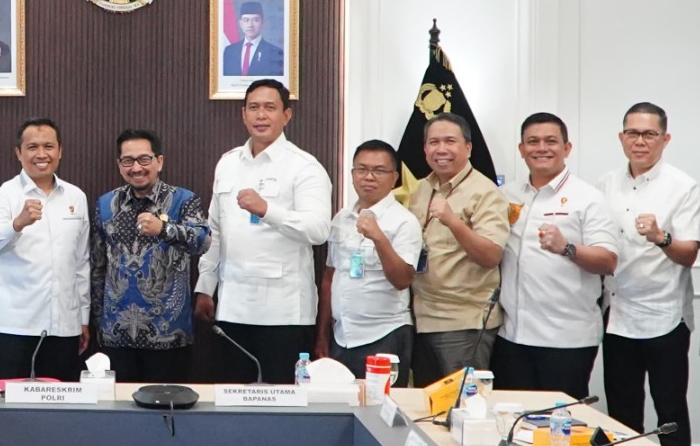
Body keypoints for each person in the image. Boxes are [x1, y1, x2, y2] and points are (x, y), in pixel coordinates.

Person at [194, 80, 332, 383]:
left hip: (284, 312)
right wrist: (206, 285)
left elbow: (319, 230)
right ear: (243, 114)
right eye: (254, 107)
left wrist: (267, 210)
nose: (261, 115)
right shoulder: (228, 163)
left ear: (286, 115)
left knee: (281, 399)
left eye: (270, 107)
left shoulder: (305, 167)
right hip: (232, 307)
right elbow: (214, 230)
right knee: (233, 397)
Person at [597, 102, 700, 446]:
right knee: (621, 414)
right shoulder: (606, 184)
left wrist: (661, 237)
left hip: (665, 317)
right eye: (632, 133)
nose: (640, 141)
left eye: (649, 134)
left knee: (670, 413)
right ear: (621, 137)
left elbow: (689, 254)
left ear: (665, 138)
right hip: (617, 315)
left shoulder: (682, 186)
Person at [493, 113, 617, 400]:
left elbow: (608, 260)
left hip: (566, 340)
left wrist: (567, 248)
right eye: (532, 141)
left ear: (567, 148)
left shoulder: (588, 198)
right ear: (521, 149)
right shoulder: (505, 195)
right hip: (511, 337)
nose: (541, 148)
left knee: (561, 421)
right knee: (511, 418)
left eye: (551, 141)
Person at [89, 129, 209, 385]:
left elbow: (203, 241)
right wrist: (98, 322)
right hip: (116, 337)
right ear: (119, 164)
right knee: (117, 406)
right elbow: (98, 267)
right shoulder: (105, 204)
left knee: (167, 408)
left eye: (144, 159)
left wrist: (164, 229)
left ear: (159, 161)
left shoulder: (183, 200)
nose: (136, 168)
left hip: (169, 335)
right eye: (128, 161)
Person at [0, 119, 90, 380]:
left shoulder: (75, 197)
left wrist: (83, 318)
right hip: (13, 327)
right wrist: (17, 224)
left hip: (64, 326)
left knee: (61, 401)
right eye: (32, 147)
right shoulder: (3, 195)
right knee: (10, 401)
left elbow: (81, 263)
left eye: (48, 146)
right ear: (18, 153)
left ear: (60, 151)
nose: (41, 154)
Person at [406, 112, 510, 382]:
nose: (441, 149)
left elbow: (491, 255)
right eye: (433, 142)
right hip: (420, 318)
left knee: (462, 403)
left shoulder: (485, 192)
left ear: (468, 147)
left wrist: (453, 222)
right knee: (427, 402)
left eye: (450, 141)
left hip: (463, 324)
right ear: (425, 149)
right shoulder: (421, 188)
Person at [318, 140, 421, 378]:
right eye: (362, 169)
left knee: (382, 401)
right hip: (341, 336)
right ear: (352, 174)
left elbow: (403, 280)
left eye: (379, 171)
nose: (369, 177)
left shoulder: (404, 221)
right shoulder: (342, 218)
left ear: (394, 178)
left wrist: (379, 238)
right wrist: (322, 335)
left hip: (385, 334)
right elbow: (330, 277)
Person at [220, 1, 284, 78]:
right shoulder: (229, 51)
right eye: (246, 20)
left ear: (263, 23)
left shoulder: (275, 52)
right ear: (240, 23)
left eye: (255, 20)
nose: (250, 25)